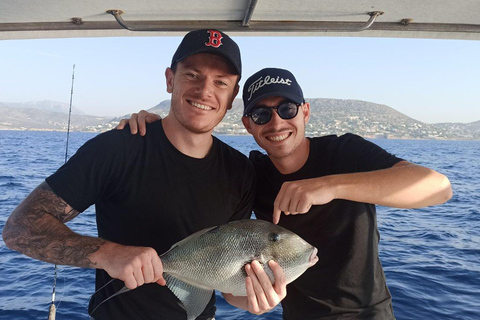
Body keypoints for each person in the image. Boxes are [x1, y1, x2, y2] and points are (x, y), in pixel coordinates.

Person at [119, 67, 453, 319]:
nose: (276, 123)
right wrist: (156, 129)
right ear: (248, 125)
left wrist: (329, 186)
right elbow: (232, 274)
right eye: (261, 114)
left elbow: (438, 187)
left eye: (287, 109)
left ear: (305, 111)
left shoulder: (345, 153)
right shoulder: (251, 173)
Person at [2, 30, 287, 320]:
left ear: (232, 96)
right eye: (192, 75)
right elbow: (18, 229)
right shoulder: (118, 148)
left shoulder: (241, 172)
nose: (205, 91)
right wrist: (109, 254)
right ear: (170, 79)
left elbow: (227, 289)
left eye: (221, 82)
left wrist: (256, 300)